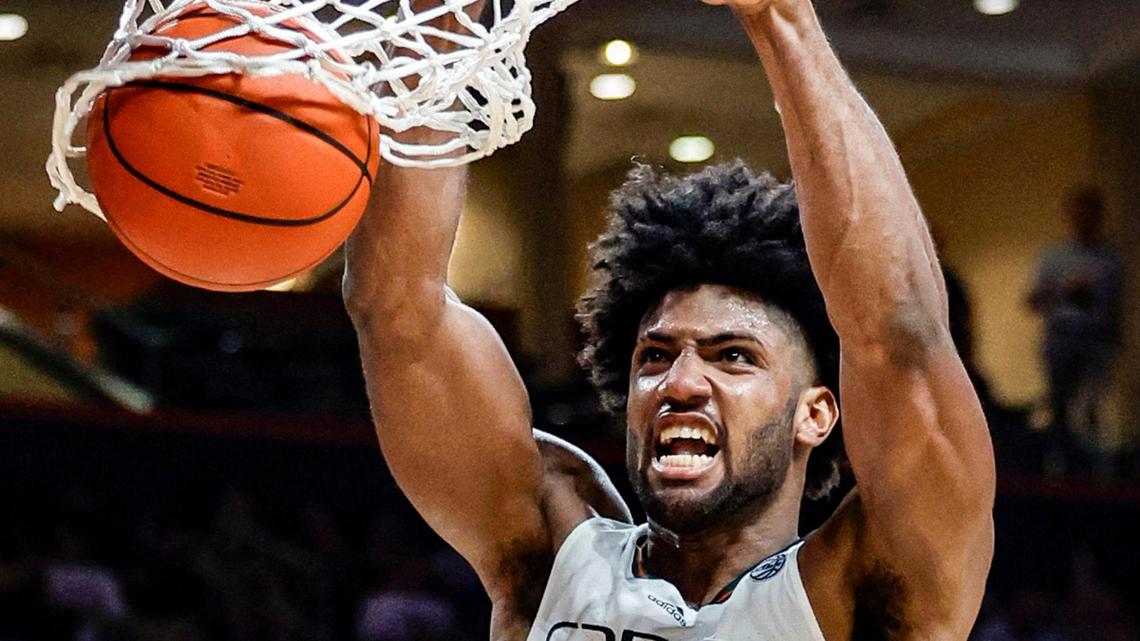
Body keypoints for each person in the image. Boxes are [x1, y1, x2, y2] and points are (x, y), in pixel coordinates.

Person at [343, 0, 996, 638]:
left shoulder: (864, 590)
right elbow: (397, 308)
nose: (680, 381)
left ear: (816, 413)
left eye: (733, 355)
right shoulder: (553, 552)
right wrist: (438, 23)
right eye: (654, 355)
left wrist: (781, 17)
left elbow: (900, 336)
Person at [1028, 187, 1123, 475]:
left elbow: (1116, 308)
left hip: (1096, 342)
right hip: (1062, 338)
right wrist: (1067, 287)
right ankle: (1056, 470)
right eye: (1079, 213)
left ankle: (1096, 474)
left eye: (1091, 213)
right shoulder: (1054, 257)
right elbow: (1033, 301)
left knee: (1091, 408)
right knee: (1058, 406)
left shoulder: (1111, 261)